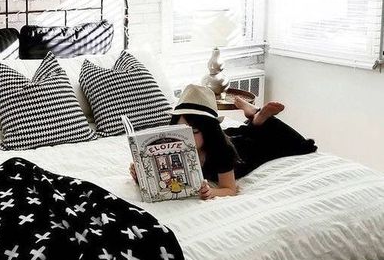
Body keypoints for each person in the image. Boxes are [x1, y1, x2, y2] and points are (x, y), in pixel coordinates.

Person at [130, 84, 317, 200]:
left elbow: (229, 188)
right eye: (182, 130)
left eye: (194, 131)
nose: (186, 137)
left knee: (301, 145)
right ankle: (254, 117)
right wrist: (141, 176)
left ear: (209, 131)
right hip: (233, 136)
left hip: (248, 151)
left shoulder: (222, 151)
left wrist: (212, 193)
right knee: (243, 131)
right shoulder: (175, 148)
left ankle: (257, 116)